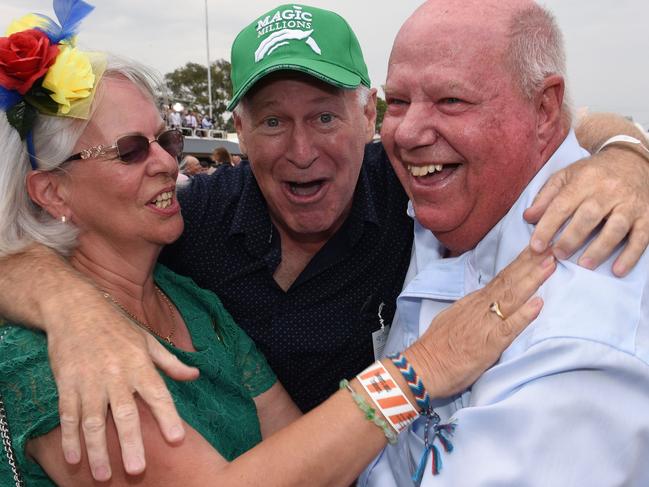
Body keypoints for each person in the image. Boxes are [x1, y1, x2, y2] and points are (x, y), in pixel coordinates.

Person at [1, 2, 648, 480]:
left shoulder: (412, 187)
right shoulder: (185, 234)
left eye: (325, 115)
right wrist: (424, 366)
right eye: (275, 120)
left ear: (369, 116)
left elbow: (534, 123)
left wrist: (624, 154)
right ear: (240, 130)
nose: (166, 164)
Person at [359, 1, 649, 485]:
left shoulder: (578, 334)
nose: (406, 132)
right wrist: (628, 147)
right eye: (400, 101)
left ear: (544, 108)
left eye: (451, 101)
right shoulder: (455, 194)